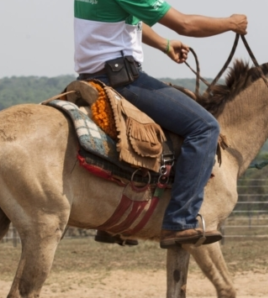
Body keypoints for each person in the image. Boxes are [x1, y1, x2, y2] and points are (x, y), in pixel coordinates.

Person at [73, 0, 247, 248]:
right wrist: (231, 23)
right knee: (205, 128)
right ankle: (181, 221)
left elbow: (124, 22)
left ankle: (116, 221)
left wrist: (164, 45)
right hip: (123, 80)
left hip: (92, 77)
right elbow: (185, 25)